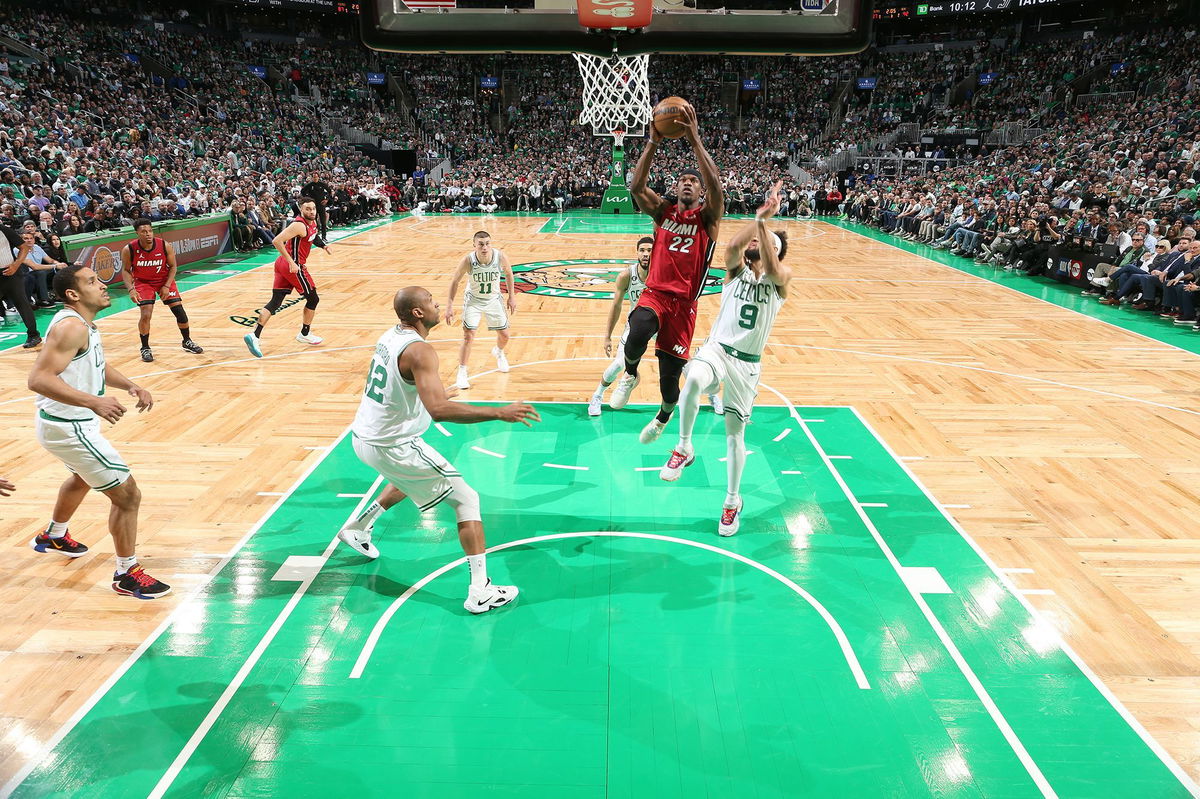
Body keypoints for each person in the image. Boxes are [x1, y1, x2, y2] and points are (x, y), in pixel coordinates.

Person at [339, 285, 539, 614]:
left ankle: (360, 526)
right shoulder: (420, 351)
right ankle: (480, 591)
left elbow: (396, 385)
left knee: (411, 478)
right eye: (431, 303)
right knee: (467, 499)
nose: (437, 306)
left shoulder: (391, 336)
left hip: (363, 438)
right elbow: (439, 411)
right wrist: (499, 413)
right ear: (417, 313)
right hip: (393, 445)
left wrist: (435, 391)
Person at [26, 264, 170, 598]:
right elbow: (38, 379)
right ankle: (127, 573)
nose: (103, 284)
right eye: (92, 281)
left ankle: (54, 535)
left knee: (83, 478)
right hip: (70, 428)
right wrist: (93, 401)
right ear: (73, 294)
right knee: (128, 495)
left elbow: (96, 363)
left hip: (64, 423)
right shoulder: (71, 328)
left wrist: (132, 385)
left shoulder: (84, 325)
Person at [659, 182, 791, 537]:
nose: (751, 244)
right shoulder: (735, 273)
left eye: (760, 244)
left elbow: (776, 270)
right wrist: (759, 218)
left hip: (746, 365)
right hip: (718, 349)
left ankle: (732, 501)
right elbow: (732, 245)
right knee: (693, 380)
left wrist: (766, 228)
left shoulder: (780, 280)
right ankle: (684, 446)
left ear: (772, 251)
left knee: (735, 437)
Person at [614, 102, 724, 444]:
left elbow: (717, 186)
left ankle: (663, 419)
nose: (688, 183)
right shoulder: (663, 213)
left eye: (694, 181)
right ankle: (630, 374)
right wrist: (652, 142)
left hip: (684, 306)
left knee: (668, 382)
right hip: (656, 294)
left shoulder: (708, 219)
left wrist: (694, 140)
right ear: (675, 190)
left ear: (700, 190)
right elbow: (635, 188)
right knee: (637, 332)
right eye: (683, 180)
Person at [588, 237, 723, 417]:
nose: (646, 254)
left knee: (685, 365)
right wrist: (607, 336)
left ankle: (713, 395)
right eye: (642, 250)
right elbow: (616, 306)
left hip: (664, 323)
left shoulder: (664, 274)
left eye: (650, 250)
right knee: (620, 363)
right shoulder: (626, 276)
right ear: (637, 253)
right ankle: (597, 396)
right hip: (639, 325)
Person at [243, 197, 330, 358]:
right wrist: (291, 262)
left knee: (276, 301)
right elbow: (277, 241)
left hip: (282, 265)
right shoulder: (298, 225)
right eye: (307, 209)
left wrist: (323, 245)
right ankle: (304, 334)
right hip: (293, 266)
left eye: (313, 208)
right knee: (313, 299)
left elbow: (313, 237)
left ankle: (254, 336)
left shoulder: (313, 222)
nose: (311, 211)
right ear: (300, 209)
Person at [120, 219, 203, 362]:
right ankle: (145, 348)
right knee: (146, 314)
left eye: (150, 231)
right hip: (143, 282)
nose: (148, 234)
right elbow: (126, 271)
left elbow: (173, 267)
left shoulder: (164, 245)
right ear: (137, 233)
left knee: (180, 312)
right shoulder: (129, 249)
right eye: (144, 232)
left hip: (164, 280)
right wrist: (131, 289)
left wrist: (166, 286)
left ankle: (187, 341)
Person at [445, 231, 517, 390]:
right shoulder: (468, 260)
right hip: (474, 300)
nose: (485, 247)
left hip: (493, 298)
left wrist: (512, 297)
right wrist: (449, 305)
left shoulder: (500, 257)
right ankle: (462, 372)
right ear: (474, 245)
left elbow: (509, 274)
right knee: (468, 335)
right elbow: (455, 281)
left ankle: (498, 352)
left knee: (505, 335)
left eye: (487, 243)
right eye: (481, 244)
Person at [0, 221, 39, 347]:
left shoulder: (4, 230)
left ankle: (34, 335)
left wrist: (16, 265)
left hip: (10, 273)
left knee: (21, 303)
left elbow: (24, 247)